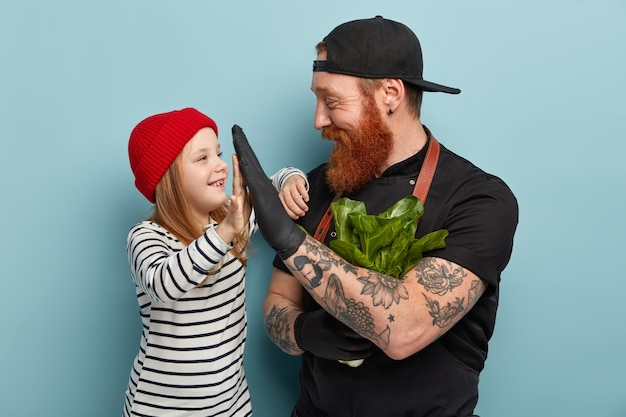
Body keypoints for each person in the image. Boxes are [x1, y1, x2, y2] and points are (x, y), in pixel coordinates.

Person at [232, 15, 519, 417]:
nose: (318, 120)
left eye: (331, 101)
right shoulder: (318, 186)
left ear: (390, 93)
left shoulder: (479, 199)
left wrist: (289, 238)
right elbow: (277, 302)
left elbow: (403, 328)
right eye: (317, 100)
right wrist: (301, 330)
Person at [123, 107, 307, 417]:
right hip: (160, 408)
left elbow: (272, 184)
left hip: (229, 404)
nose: (221, 165)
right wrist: (225, 232)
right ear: (168, 177)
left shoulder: (231, 219)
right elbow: (163, 284)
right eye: (202, 158)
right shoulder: (147, 237)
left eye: (218, 154)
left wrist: (291, 180)